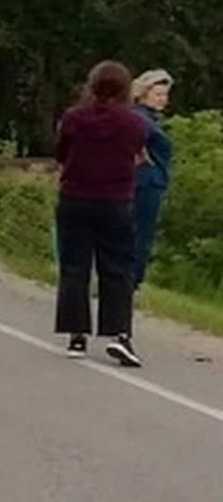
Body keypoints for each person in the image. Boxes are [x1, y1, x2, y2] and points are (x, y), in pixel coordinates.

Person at [54, 60, 148, 367]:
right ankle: (118, 333)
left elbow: (62, 153)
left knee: (74, 266)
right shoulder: (133, 123)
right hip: (115, 201)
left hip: (75, 197)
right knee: (118, 268)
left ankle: (76, 334)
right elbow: (136, 153)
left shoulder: (73, 118)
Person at [131, 69, 174, 289]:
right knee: (141, 234)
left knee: (136, 232)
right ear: (144, 93)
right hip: (146, 182)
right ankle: (131, 281)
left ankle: (128, 279)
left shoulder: (151, 119)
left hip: (150, 180)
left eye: (165, 95)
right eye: (158, 94)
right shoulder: (141, 118)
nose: (163, 100)